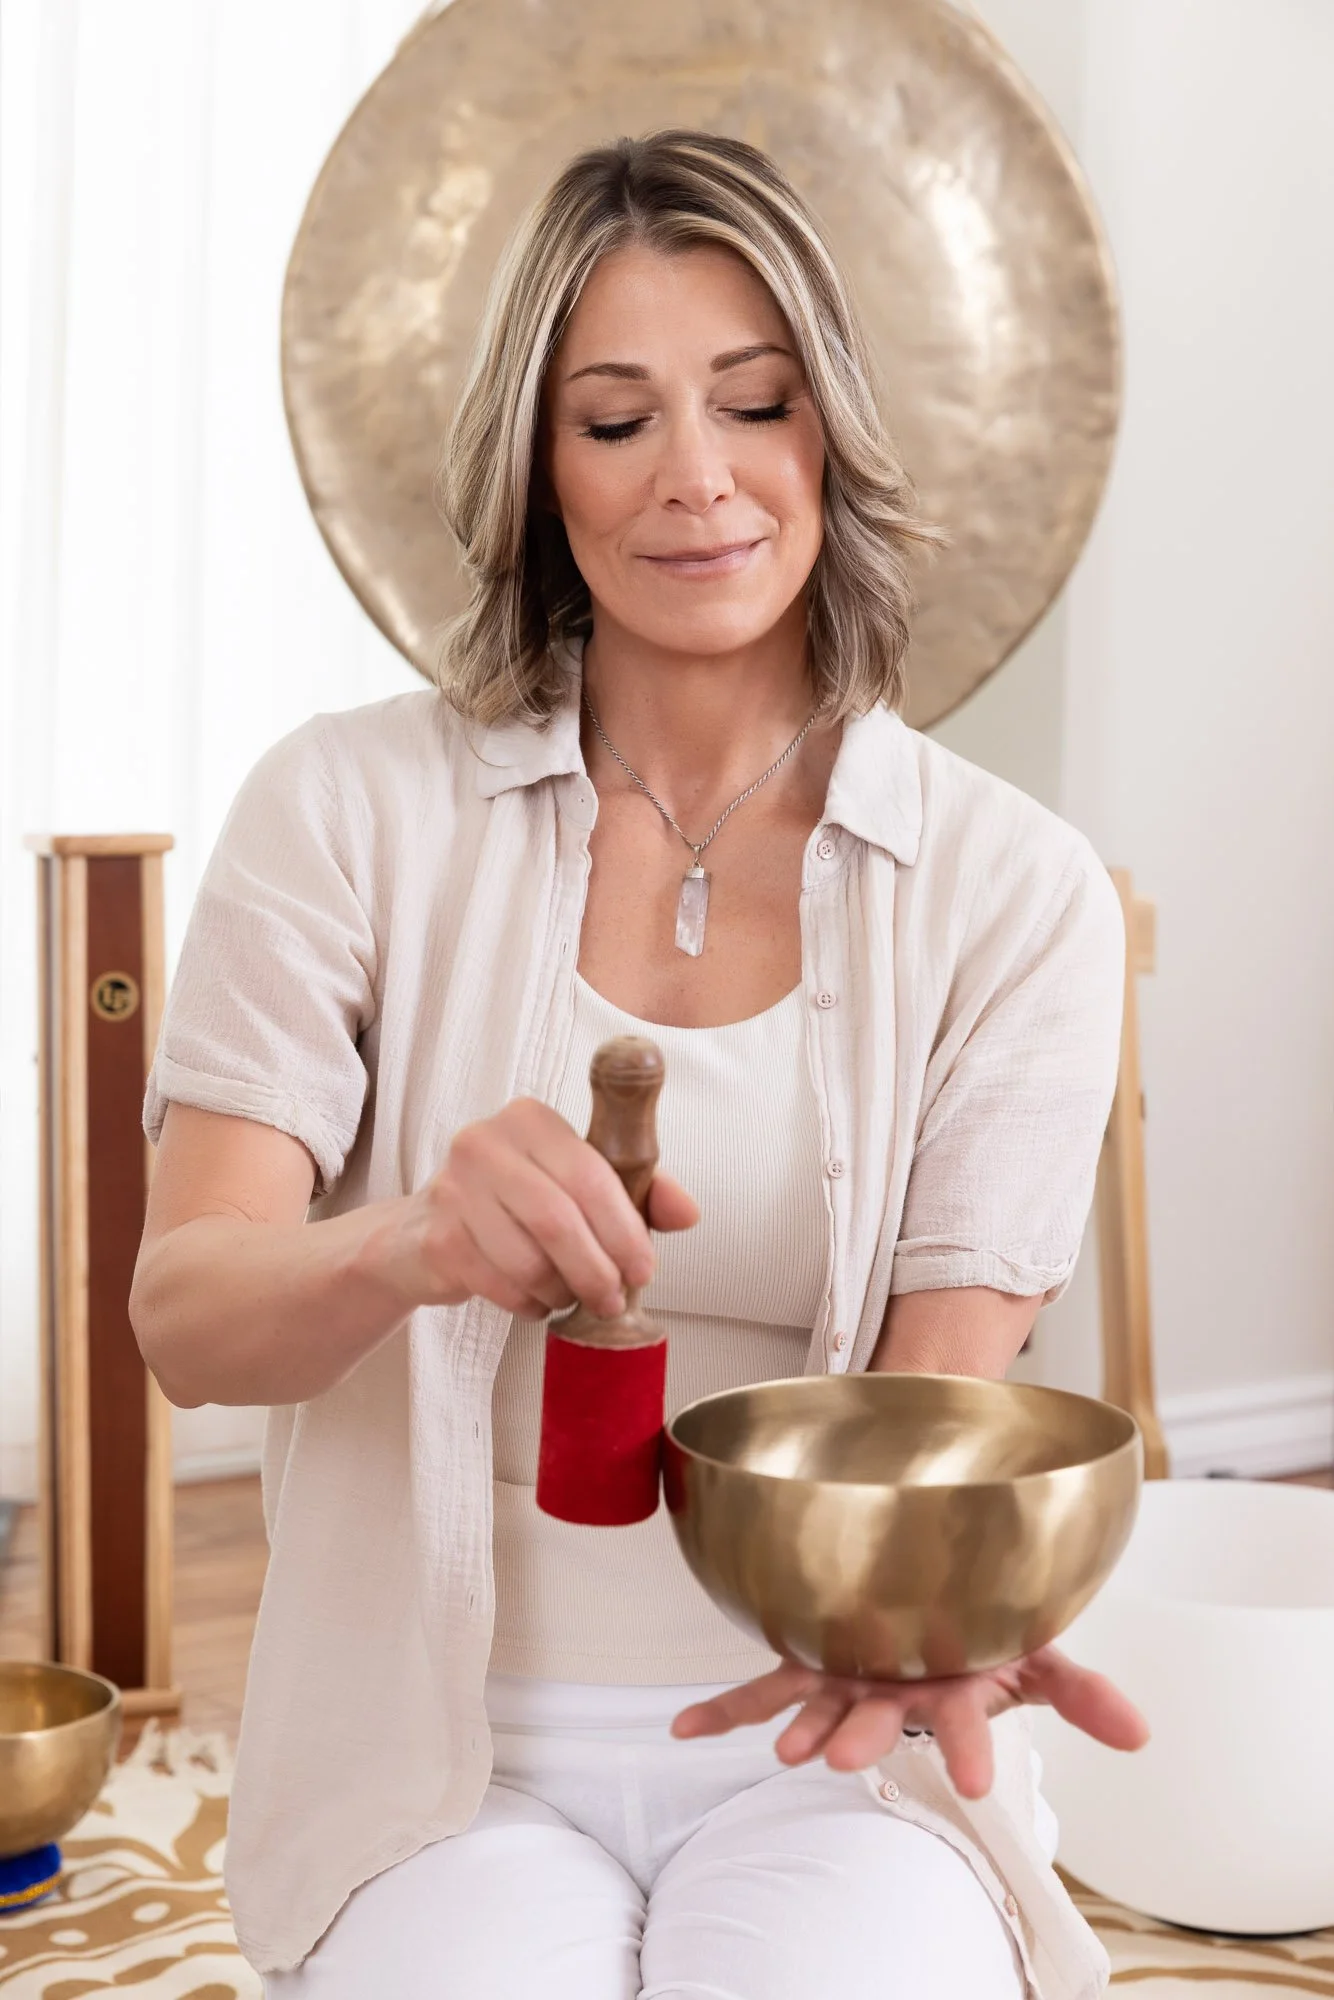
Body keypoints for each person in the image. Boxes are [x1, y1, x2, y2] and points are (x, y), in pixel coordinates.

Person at [130, 130, 1146, 2000]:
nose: (695, 478)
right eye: (613, 421)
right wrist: (412, 1241)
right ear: (537, 468)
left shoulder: (1012, 890)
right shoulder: (344, 809)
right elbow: (189, 1316)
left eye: (751, 403)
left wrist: (951, 1617)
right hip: (433, 1766)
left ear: (828, 430)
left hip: (830, 1745)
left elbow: (935, 1413)